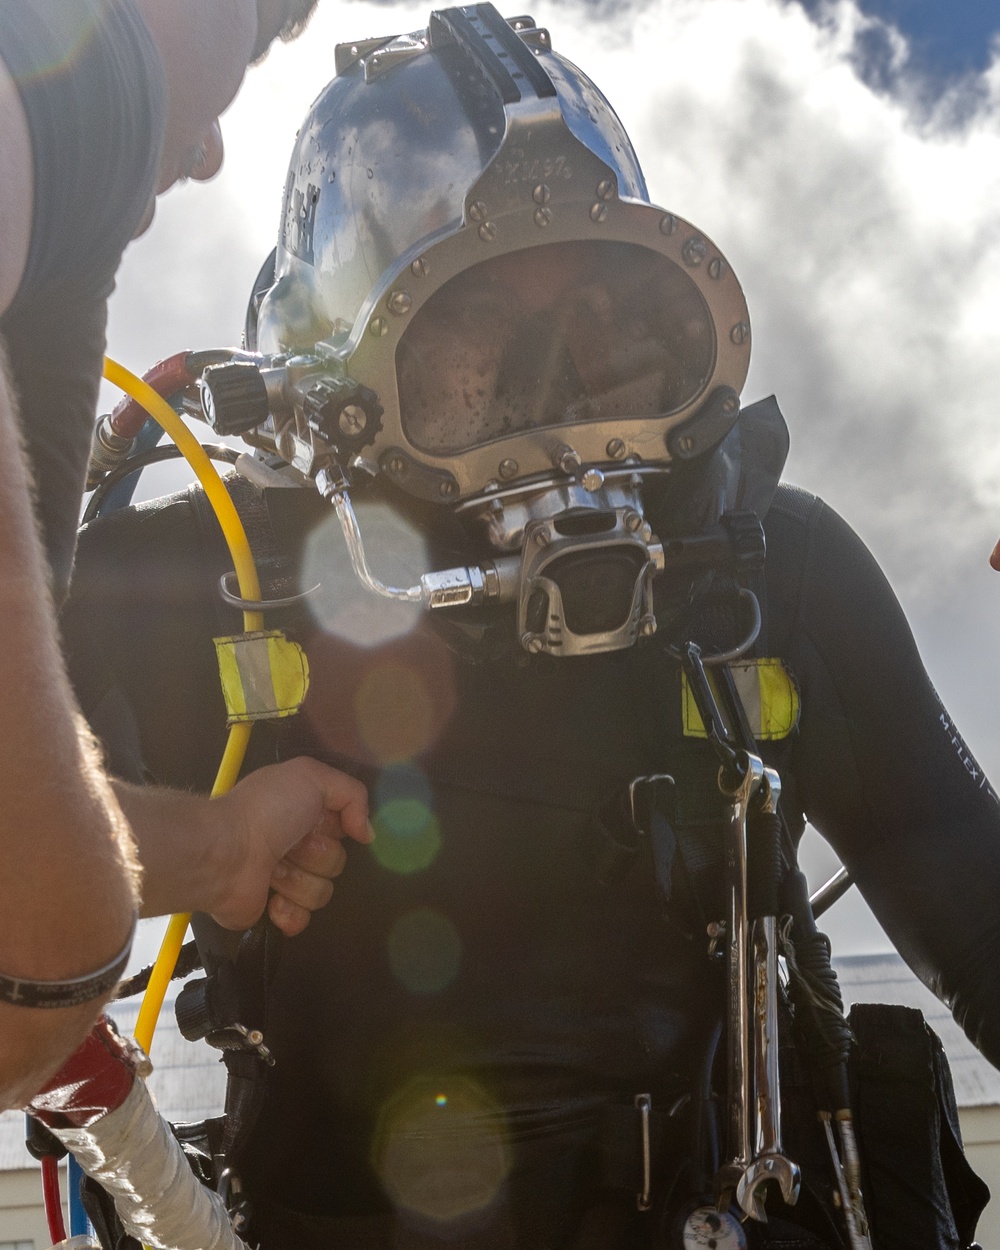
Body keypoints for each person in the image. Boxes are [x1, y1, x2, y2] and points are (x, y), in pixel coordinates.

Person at [59, 4, 1000, 1248]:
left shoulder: (772, 577)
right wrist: (192, 841)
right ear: (336, 381)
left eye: (613, 337)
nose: (561, 406)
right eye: (481, 340)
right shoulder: (193, 596)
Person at [0, 0, 373, 1116]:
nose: (210, 149)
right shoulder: (79, 74)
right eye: (255, 33)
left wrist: (216, 846)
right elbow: (30, 929)